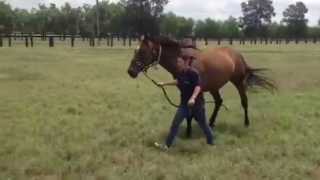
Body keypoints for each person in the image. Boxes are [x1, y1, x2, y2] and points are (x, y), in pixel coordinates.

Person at [154, 57, 214, 150]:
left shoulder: (193, 73)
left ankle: (211, 143)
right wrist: (164, 83)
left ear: (186, 62)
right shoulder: (180, 73)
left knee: (203, 125)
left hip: (197, 105)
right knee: (175, 123)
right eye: (177, 62)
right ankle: (167, 146)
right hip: (184, 105)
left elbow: (198, 87)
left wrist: (193, 98)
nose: (177, 64)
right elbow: (178, 81)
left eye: (179, 62)